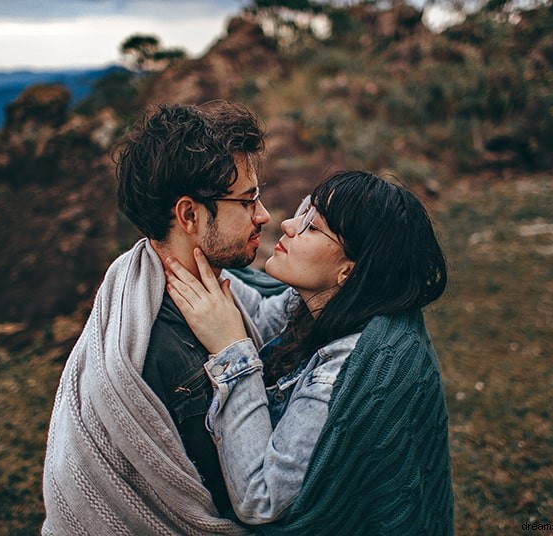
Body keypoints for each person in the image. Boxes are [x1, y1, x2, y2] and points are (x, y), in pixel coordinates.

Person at [42, 101, 290, 535]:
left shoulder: (187, 287)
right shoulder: (171, 354)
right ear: (189, 215)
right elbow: (240, 498)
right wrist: (235, 353)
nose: (263, 215)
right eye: (248, 200)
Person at [164, 170, 454, 535]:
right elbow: (254, 315)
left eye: (312, 227)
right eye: (302, 213)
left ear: (349, 270)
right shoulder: (324, 303)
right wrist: (179, 246)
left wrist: (230, 350)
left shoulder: (345, 372)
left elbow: (261, 498)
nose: (287, 225)